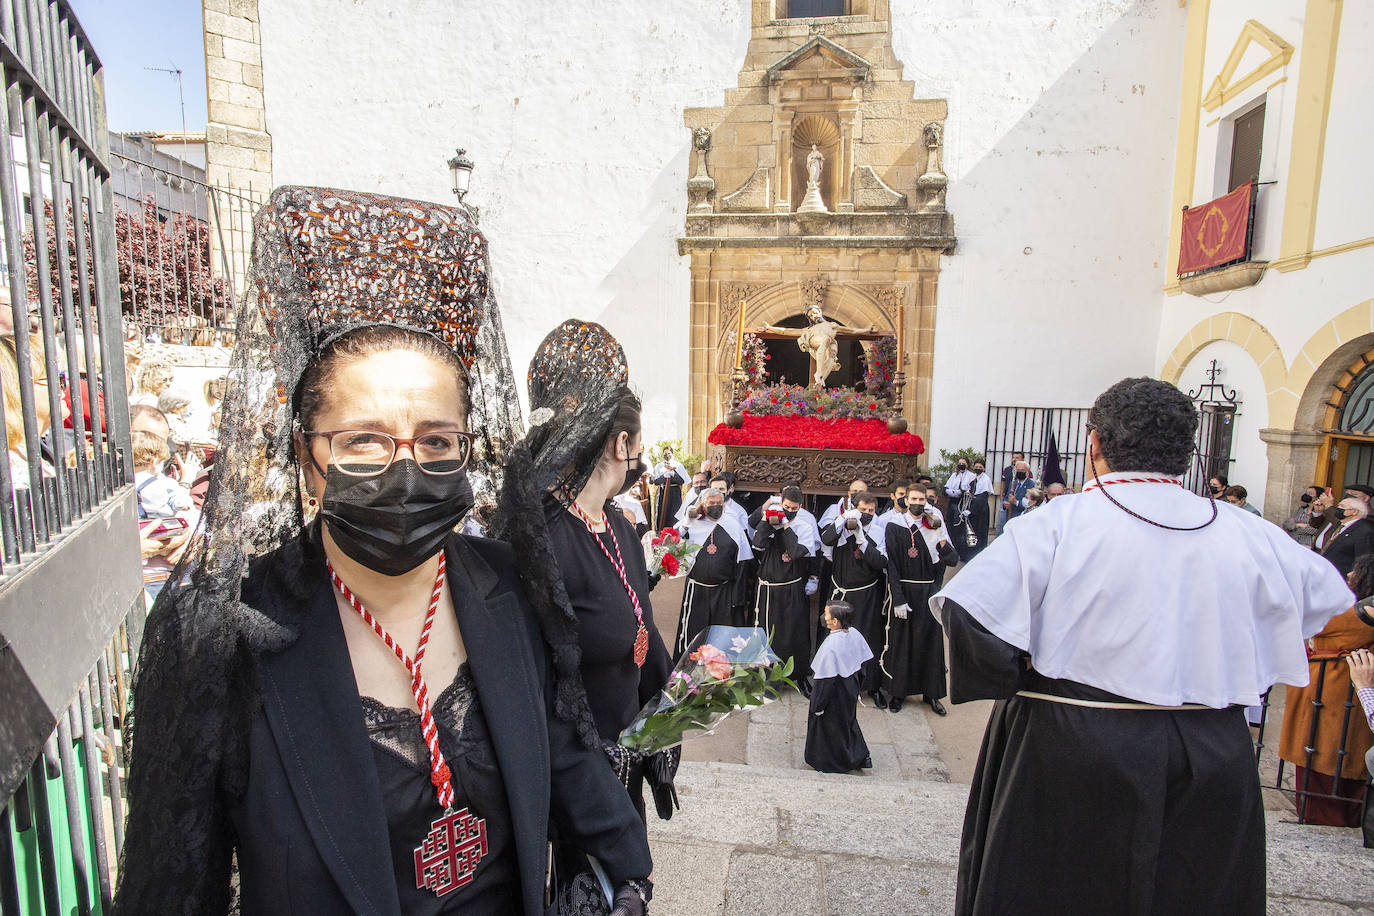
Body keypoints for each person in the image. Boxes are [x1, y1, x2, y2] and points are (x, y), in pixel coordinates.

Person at [115, 187, 652, 915]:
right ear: (307, 457)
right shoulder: (220, 637)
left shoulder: (513, 587)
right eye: (364, 438)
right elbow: (178, 887)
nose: (407, 466)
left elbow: (565, 750)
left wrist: (626, 874)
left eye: (436, 440)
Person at [929, 376, 1353, 915]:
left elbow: (968, 611)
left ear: (1096, 444)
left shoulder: (1060, 522)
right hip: (1212, 748)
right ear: (1186, 452)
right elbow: (1324, 601)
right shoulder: (1252, 531)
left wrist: (1018, 679)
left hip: (1077, 743)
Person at [494, 320, 677, 883]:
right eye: (637, 444)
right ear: (622, 443)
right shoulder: (538, 536)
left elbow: (639, 634)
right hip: (567, 794)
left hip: (622, 776)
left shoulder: (619, 527)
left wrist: (681, 701)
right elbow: (528, 686)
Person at [1279, 554, 1374, 827]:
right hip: (1334, 706)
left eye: (1356, 572)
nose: (1349, 576)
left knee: (1325, 782)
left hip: (1330, 707)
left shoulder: (1351, 615)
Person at [882, 486, 955, 714]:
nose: (917, 502)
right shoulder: (895, 526)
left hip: (927, 591)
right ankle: (898, 693)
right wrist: (898, 599)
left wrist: (939, 535)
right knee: (902, 642)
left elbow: (952, 560)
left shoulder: (933, 525)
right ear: (905, 500)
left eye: (921, 499)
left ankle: (931, 694)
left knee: (929, 643)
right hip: (904, 589)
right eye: (913, 498)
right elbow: (892, 564)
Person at [821, 491, 887, 699]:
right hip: (841, 592)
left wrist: (863, 541)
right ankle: (833, 682)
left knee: (868, 638)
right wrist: (843, 520)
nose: (867, 514)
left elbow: (881, 562)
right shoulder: (842, 529)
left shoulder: (878, 531)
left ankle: (870, 686)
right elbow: (826, 539)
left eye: (871, 510)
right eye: (862, 510)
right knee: (837, 639)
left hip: (866, 593)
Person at [673, 486, 752, 656]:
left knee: (720, 639)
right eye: (711, 503)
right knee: (693, 635)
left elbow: (743, 563)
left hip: (723, 592)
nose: (716, 506)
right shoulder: (691, 522)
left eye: (719, 503)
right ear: (702, 504)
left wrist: (737, 598)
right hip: (696, 590)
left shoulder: (733, 525)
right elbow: (673, 542)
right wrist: (687, 521)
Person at [752, 484, 816, 691]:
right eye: (787, 507)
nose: (790, 511)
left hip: (792, 587)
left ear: (800, 507)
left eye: (794, 509)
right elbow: (758, 544)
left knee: (794, 632)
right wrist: (767, 521)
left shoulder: (804, 527)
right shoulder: (771, 521)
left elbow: (796, 552)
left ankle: (799, 676)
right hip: (769, 588)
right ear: (781, 502)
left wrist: (786, 527)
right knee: (768, 632)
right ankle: (767, 676)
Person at [805, 600, 873, 773]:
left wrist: (817, 706)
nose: (824, 616)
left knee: (832, 729)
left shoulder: (831, 647)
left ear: (835, 622)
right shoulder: (855, 634)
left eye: (827, 614)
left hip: (834, 695)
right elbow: (862, 664)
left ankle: (834, 762)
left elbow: (824, 681)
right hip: (849, 688)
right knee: (848, 723)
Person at [1318, 496, 1374, 579]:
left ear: (1354, 511)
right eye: (1338, 505)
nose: (1338, 508)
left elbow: (1363, 560)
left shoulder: (1364, 530)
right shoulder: (1341, 525)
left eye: (1342, 506)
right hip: (1328, 574)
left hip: (1343, 578)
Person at [649, 445, 687, 531]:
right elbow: (655, 481)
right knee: (663, 513)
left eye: (669, 453)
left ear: (672, 454)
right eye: (665, 453)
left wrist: (673, 472)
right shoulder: (659, 466)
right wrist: (664, 476)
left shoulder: (678, 465)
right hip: (663, 492)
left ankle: (675, 532)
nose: (667, 455)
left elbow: (682, 481)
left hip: (675, 493)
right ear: (662, 454)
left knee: (675, 513)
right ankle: (661, 531)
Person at [998, 451, 1025, 531]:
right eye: (1013, 457)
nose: (1014, 459)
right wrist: (1001, 494)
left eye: (1017, 458)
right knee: (1001, 522)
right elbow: (1003, 481)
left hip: (1017, 501)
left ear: (1022, 459)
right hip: (1006, 499)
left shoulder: (1025, 471)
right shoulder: (1007, 469)